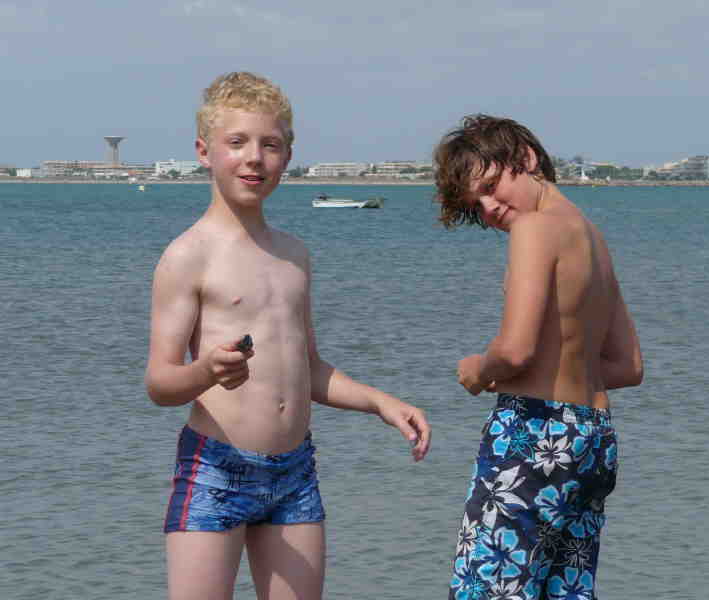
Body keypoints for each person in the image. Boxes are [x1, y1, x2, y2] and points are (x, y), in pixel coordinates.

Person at [145, 71, 431, 600]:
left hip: (295, 472)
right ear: (204, 152)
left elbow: (310, 370)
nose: (254, 158)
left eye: (270, 145)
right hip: (215, 468)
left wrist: (381, 403)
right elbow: (160, 383)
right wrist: (205, 371)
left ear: (288, 155)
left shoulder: (294, 255)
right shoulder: (187, 256)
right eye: (237, 142)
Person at [434, 115, 642, 600]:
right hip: (590, 440)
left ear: (526, 158)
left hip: (532, 435)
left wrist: (478, 370)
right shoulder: (592, 237)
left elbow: (514, 349)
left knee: (490, 590)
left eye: (490, 186)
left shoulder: (533, 228)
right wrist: (543, 367)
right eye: (476, 203)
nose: (489, 207)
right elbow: (628, 366)